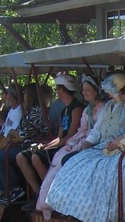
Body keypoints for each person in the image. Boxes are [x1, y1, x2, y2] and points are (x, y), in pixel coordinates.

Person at [45, 72, 125, 222]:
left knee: (119, 167)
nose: (108, 95)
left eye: (110, 91)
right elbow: (122, 128)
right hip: (124, 142)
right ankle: (80, 207)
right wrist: (113, 140)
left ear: (117, 90)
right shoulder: (123, 105)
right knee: (82, 161)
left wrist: (122, 138)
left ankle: (118, 212)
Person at [35, 75, 107, 216]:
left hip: (98, 141)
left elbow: (99, 130)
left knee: (67, 161)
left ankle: (64, 200)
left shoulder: (103, 108)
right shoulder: (86, 110)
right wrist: (75, 141)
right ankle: (49, 198)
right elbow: (81, 129)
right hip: (84, 140)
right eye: (83, 90)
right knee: (58, 157)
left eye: (88, 90)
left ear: (96, 91)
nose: (84, 93)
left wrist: (83, 140)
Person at [16, 73, 84, 205]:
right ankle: (39, 193)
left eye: (57, 89)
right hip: (61, 144)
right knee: (21, 157)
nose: (56, 92)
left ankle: (50, 194)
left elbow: (70, 136)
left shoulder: (77, 108)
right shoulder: (65, 110)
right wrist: (45, 145)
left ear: (62, 90)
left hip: (71, 146)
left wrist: (48, 147)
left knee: (37, 157)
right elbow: (59, 137)